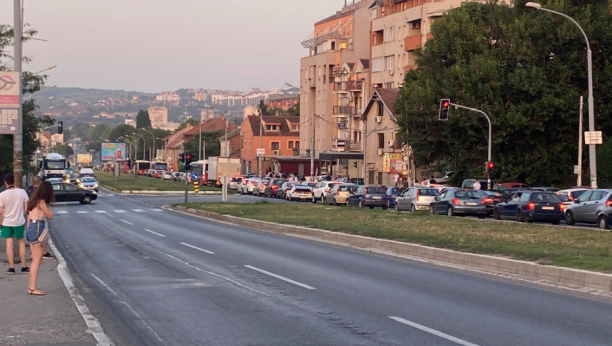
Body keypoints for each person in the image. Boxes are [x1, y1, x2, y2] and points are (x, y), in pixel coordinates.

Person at [25, 181, 54, 296]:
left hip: (31, 228)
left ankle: (33, 286)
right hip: (37, 227)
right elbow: (50, 216)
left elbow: (28, 217)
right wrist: (48, 208)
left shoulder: (33, 201)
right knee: (37, 260)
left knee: (37, 259)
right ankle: (32, 287)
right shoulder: (41, 202)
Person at [0, 174, 30, 274]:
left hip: (6, 222)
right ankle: (24, 266)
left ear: (5, 182)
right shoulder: (22, 192)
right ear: (14, 180)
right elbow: (26, 208)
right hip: (19, 221)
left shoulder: (2, 195)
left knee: (9, 244)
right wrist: (20, 215)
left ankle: (11, 267)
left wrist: (1, 223)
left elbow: (1, 212)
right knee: (21, 243)